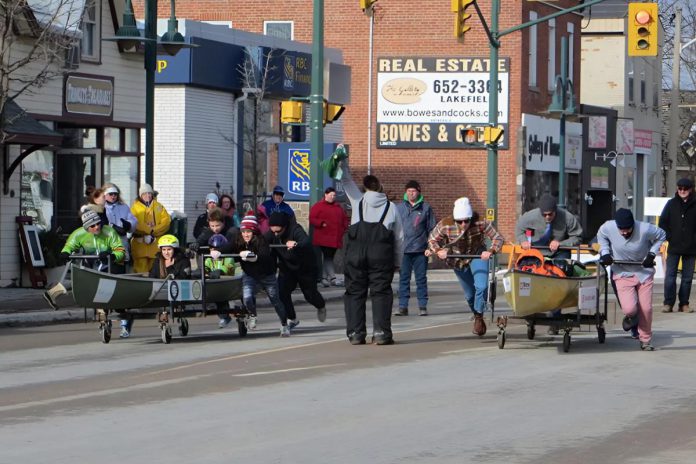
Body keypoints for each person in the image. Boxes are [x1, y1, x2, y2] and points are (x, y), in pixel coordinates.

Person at [340, 166, 404, 345]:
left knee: (354, 292)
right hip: (381, 254)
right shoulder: (391, 207)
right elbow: (399, 238)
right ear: (381, 189)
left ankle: (356, 333)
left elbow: (346, 180)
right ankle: (381, 332)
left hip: (356, 253)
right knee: (381, 292)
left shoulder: (357, 200)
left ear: (366, 189)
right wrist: (398, 261)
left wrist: (342, 160)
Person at [427, 197, 504, 336]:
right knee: (469, 295)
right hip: (458, 259)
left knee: (481, 286)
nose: (463, 224)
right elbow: (432, 239)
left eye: (466, 221)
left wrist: (490, 251)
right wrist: (439, 251)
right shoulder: (445, 224)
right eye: (459, 221)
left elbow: (497, 237)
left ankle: (479, 317)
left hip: (477, 255)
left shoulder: (480, 222)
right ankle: (475, 313)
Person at [597, 208, 666, 351]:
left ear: (633, 225)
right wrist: (605, 252)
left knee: (646, 308)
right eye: (621, 229)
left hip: (643, 272)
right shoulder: (608, 227)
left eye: (627, 229)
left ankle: (645, 340)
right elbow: (601, 235)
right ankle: (631, 317)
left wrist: (652, 254)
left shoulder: (645, 228)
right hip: (622, 272)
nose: (624, 232)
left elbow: (662, 235)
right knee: (629, 309)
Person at [43, 210, 125, 313]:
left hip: (108, 262)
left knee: (105, 283)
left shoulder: (109, 232)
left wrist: (112, 256)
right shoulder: (78, 234)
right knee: (82, 282)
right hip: (90, 262)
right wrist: (65, 253)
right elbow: (69, 246)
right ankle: (52, 293)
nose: (97, 227)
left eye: (98, 223)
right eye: (92, 226)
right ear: (86, 228)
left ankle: (113, 305)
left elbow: (120, 250)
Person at [230, 215, 290, 337]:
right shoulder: (238, 240)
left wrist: (254, 256)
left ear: (254, 232)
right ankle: (252, 315)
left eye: (249, 232)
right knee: (247, 297)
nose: (246, 234)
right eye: (244, 231)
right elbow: (227, 247)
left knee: (275, 300)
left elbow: (264, 255)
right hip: (249, 275)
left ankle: (284, 324)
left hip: (267, 274)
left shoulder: (261, 240)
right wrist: (216, 250)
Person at [265, 211, 327, 327]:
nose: (276, 235)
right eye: (273, 232)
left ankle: (320, 305)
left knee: (310, 295)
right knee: (282, 292)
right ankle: (292, 318)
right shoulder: (272, 234)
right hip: (287, 267)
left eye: (278, 231)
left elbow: (306, 241)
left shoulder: (295, 229)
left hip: (305, 267)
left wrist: (296, 243)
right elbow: (261, 241)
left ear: (285, 227)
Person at [395, 180, 437, 317]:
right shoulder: (399, 208)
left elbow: (432, 229)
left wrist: (431, 247)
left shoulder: (425, 208)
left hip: (420, 250)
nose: (411, 193)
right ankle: (402, 306)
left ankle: (422, 306)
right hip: (404, 250)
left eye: (413, 191)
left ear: (418, 192)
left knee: (421, 279)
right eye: (408, 191)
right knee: (403, 279)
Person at [659, 177, 696, 313]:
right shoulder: (671, 204)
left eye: (685, 189)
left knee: (687, 278)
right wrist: (669, 236)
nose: (682, 191)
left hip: (691, 248)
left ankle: (684, 304)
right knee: (670, 277)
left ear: (691, 189)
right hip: (674, 246)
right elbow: (662, 222)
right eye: (680, 188)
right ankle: (668, 303)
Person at [515, 193, 582, 258]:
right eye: (544, 215)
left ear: (555, 210)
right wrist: (523, 240)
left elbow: (577, 237)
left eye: (550, 214)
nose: (547, 217)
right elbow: (519, 230)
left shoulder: (568, 218)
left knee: (561, 266)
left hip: (560, 251)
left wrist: (561, 244)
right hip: (535, 251)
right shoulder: (529, 217)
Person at [309, 186, 349, 287]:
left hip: (335, 238)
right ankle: (332, 278)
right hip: (323, 237)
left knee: (329, 257)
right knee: (328, 257)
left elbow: (344, 219)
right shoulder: (318, 206)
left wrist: (343, 228)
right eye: (330, 195)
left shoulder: (338, 207)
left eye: (334, 195)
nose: (332, 197)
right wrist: (321, 223)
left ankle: (324, 278)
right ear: (326, 195)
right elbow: (312, 218)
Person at [130, 184, 171, 274]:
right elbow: (134, 223)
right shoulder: (134, 208)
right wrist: (148, 230)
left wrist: (154, 230)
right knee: (140, 271)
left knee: (155, 270)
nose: (148, 196)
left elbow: (166, 222)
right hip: (140, 245)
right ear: (140, 195)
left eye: (149, 193)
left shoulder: (159, 207)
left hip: (155, 245)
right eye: (145, 194)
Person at [203, 234, 238, 328]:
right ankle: (223, 315)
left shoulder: (228, 258)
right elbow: (205, 269)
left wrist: (220, 271)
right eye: (212, 248)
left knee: (220, 298)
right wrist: (205, 272)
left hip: (226, 286)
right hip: (212, 287)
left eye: (217, 249)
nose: (214, 251)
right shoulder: (208, 260)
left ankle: (225, 317)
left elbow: (229, 268)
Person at [101, 183, 138, 273]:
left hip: (121, 244)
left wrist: (129, 225)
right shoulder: (100, 207)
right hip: (105, 244)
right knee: (105, 272)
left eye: (115, 194)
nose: (113, 196)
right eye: (111, 194)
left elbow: (133, 220)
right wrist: (113, 227)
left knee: (119, 271)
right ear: (105, 195)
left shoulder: (124, 207)